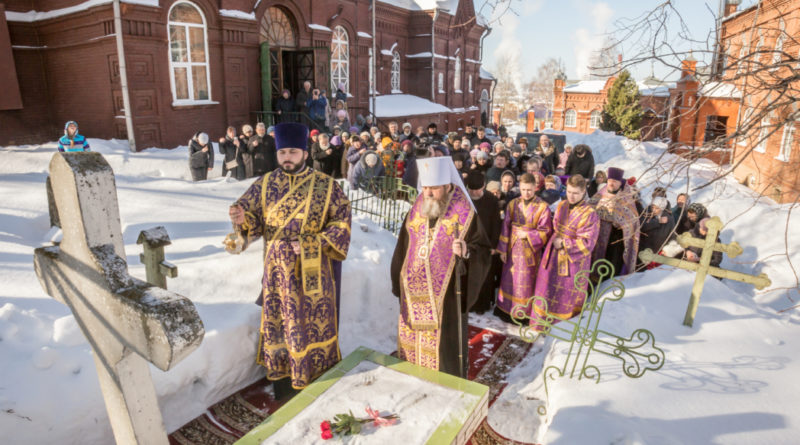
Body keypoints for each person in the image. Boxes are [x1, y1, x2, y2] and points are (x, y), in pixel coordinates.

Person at [227, 122, 351, 399]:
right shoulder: (264, 184)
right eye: (283, 152)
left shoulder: (326, 186)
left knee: (310, 324)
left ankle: (317, 376)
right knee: (281, 324)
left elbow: (342, 223)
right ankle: (283, 380)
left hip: (313, 273)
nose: (287, 157)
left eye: (293, 152)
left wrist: (312, 243)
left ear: (305, 153)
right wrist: (241, 219)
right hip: (277, 275)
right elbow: (251, 221)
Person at [391, 156, 491, 377]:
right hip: (413, 292)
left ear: (447, 186)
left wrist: (466, 252)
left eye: (434, 189)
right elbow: (403, 244)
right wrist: (397, 277)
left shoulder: (465, 213)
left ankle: (443, 378)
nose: (427, 193)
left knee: (442, 352)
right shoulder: (418, 206)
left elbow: (482, 249)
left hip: (444, 297)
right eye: (425, 187)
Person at [534, 175, 600, 324]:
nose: (571, 196)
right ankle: (541, 322)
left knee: (564, 293)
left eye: (575, 193)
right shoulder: (561, 205)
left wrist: (565, 243)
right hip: (553, 253)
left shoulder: (590, 214)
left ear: (584, 191)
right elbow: (556, 226)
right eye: (569, 191)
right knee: (546, 288)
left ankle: (560, 328)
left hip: (573, 262)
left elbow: (588, 242)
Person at [495, 173, 553, 323]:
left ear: (535, 188)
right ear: (519, 188)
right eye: (523, 189)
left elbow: (546, 231)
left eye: (529, 189)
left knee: (525, 282)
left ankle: (522, 313)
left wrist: (528, 234)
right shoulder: (513, 204)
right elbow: (505, 227)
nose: (526, 193)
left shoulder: (543, 207)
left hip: (530, 252)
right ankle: (505, 310)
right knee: (510, 279)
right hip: (512, 249)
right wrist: (502, 249)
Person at [589, 167, 641, 276]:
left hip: (613, 241)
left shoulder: (625, 199)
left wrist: (615, 219)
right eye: (609, 180)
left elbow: (631, 221)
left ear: (620, 183)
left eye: (615, 181)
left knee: (608, 270)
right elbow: (589, 209)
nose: (611, 184)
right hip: (595, 237)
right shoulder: (600, 195)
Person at [465, 171, 503, 313]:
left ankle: (482, 305)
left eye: (477, 190)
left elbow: (496, 224)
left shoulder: (491, 200)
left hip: (486, 244)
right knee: (468, 277)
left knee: (484, 276)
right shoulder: (464, 198)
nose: (474, 193)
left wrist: (494, 245)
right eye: (471, 190)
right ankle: (469, 304)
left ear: (484, 187)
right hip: (468, 244)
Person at [638, 196, 675, 270]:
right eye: (653, 207)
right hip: (643, 248)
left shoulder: (669, 218)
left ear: (662, 208)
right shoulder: (646, 213)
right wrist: (657, 221)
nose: (654, 210)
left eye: (657, 208)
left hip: (658, 251)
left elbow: (671, 235)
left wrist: (667, 249)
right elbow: (641, 227)